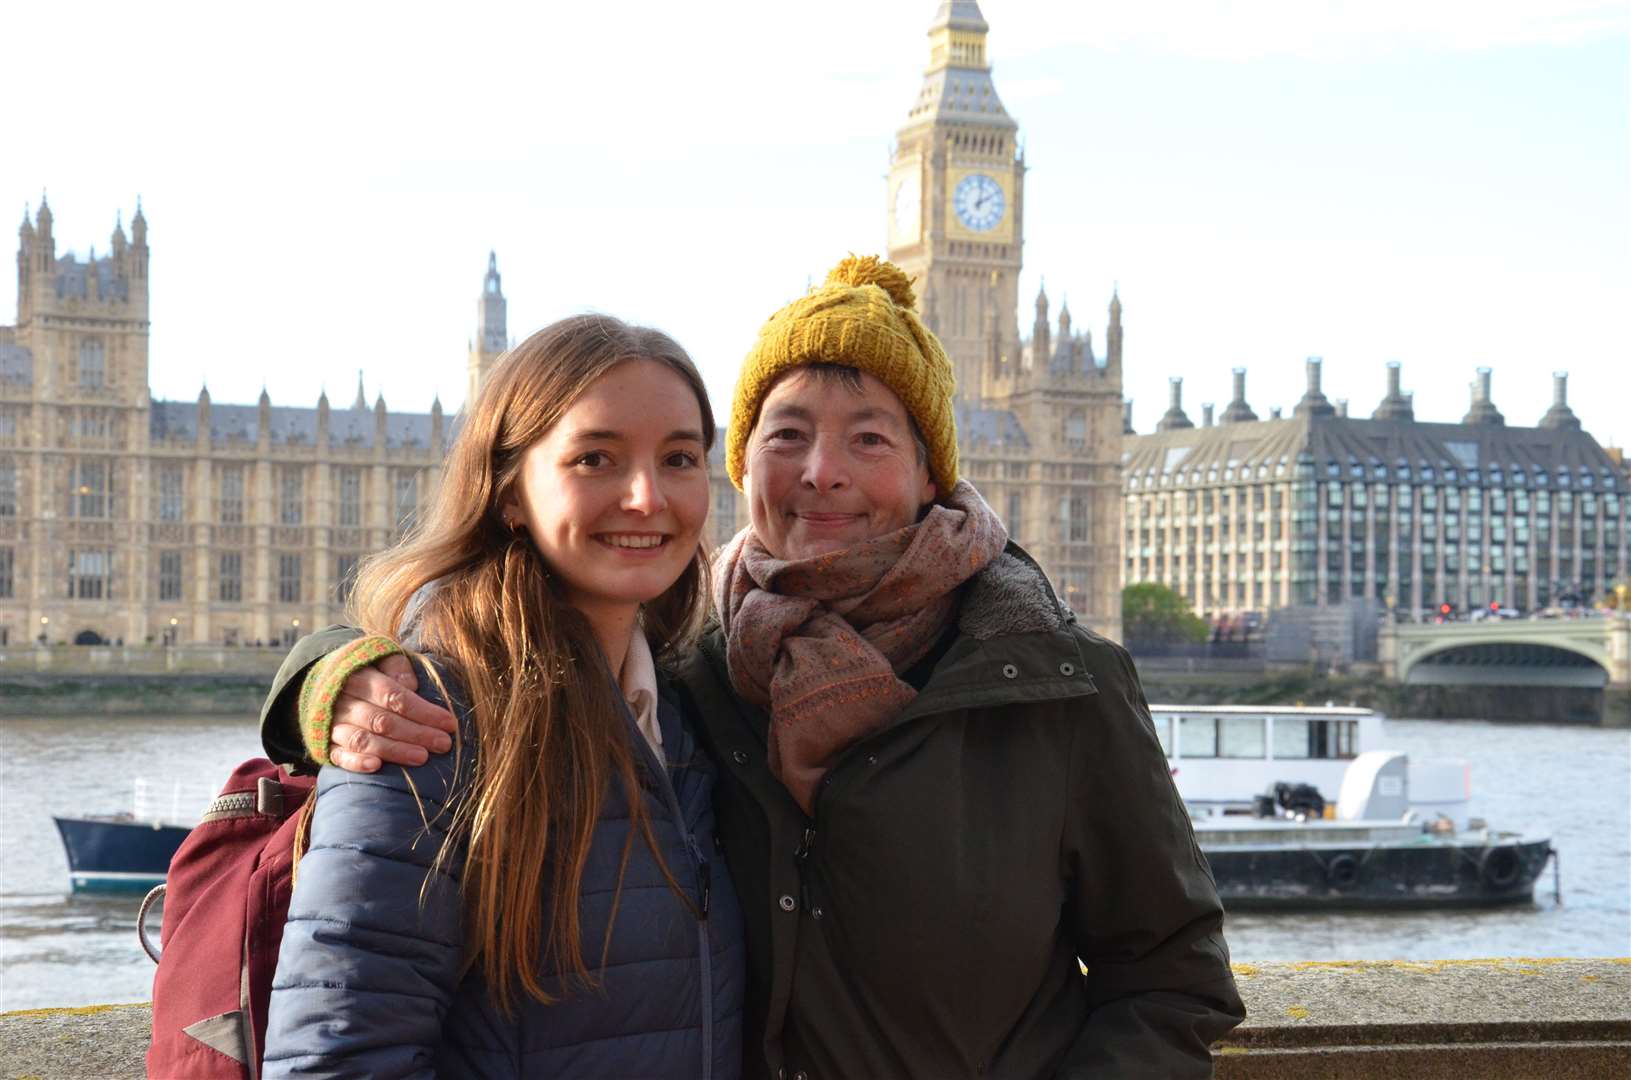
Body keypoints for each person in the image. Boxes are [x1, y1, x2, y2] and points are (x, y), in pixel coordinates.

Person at [262, 258, 1244, 1078]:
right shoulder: (699, 672)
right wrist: (327, 677)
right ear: (745, 467)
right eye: (786, 437)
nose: (821, 473)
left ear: (932, 471)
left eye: (868, 439)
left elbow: (1171, 979)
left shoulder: (1055, 682)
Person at [261, 315, 745, 1079]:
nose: (647, 496)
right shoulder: (422, 727)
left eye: (680, 458)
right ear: (509, 492)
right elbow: (337, 1059)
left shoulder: (693, 712)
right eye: (595, 458)